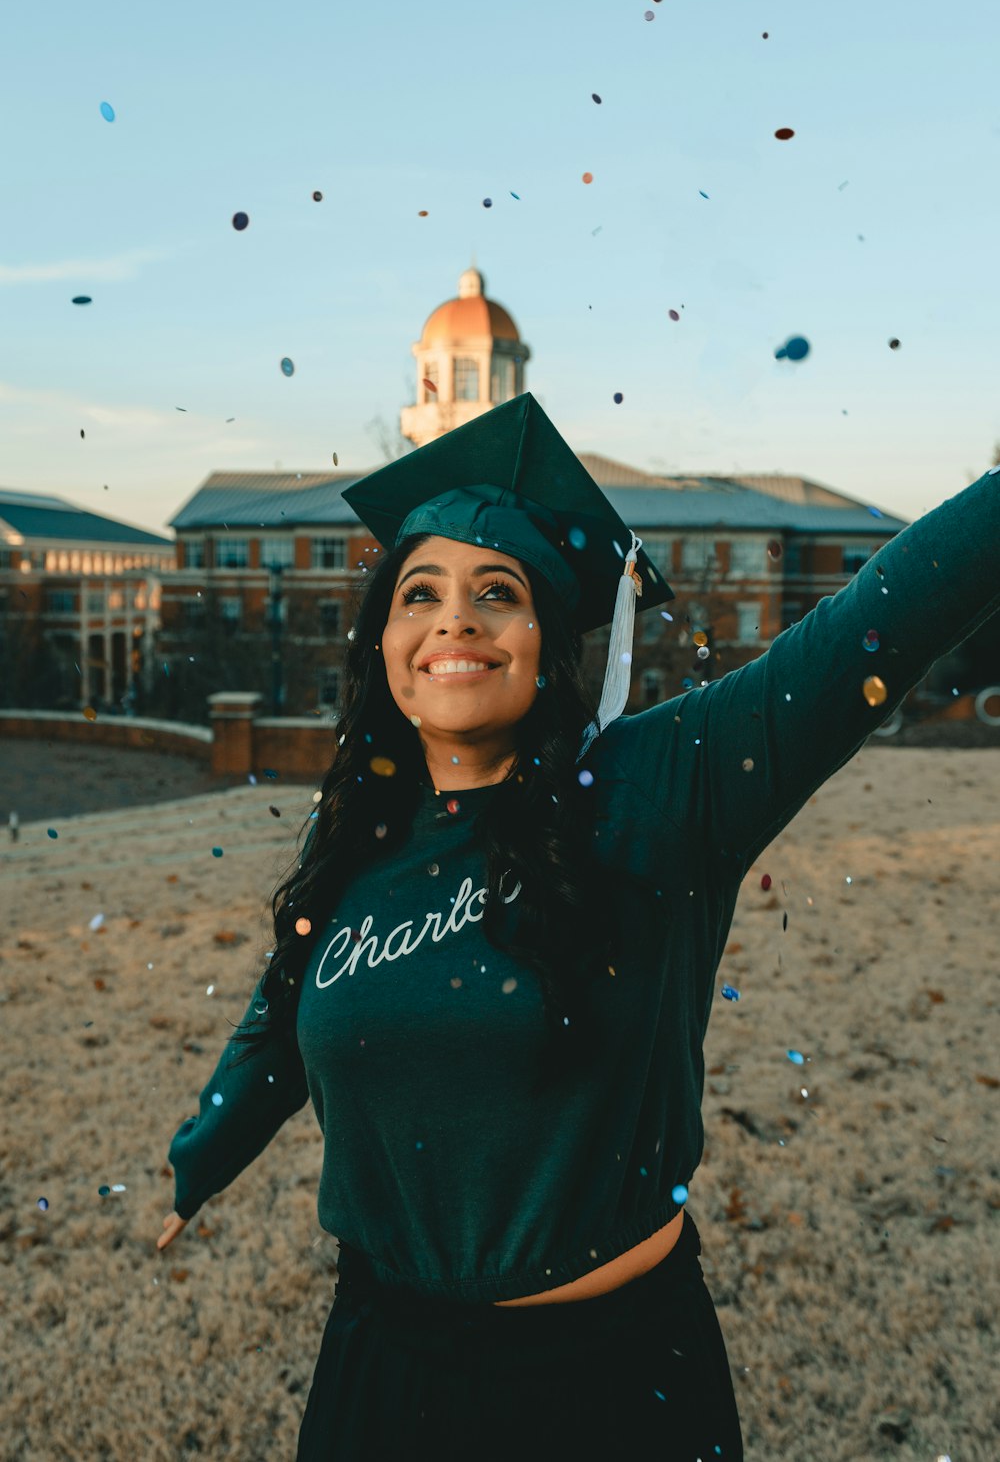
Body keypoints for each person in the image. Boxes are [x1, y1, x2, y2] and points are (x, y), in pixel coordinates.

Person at [158, 393, 1000, 1460]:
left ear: (549, 637)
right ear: (385, 643)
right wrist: (201, 1159)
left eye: (496, 592)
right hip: (383, 1367)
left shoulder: (664, 789)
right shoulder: (360, 836)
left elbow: (879, 622)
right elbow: (279, 1023)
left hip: (611, 1385)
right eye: (420, 593)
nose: (454, 619)